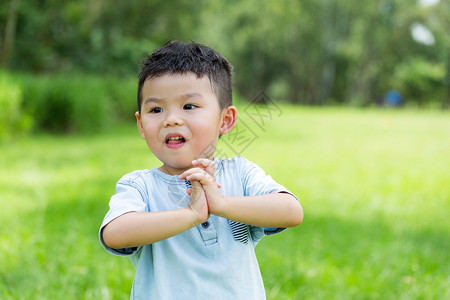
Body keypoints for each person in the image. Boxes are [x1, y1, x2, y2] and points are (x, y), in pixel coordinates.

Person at [99, 41, 303, 299]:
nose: (171, 119)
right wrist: (192, 214)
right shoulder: (140, 186)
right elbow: (114, 234)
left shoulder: (240, 173)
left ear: (225, 120)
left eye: (189, 106)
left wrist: (220, 204)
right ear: (141, 124)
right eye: (156, 109)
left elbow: (291, 211)